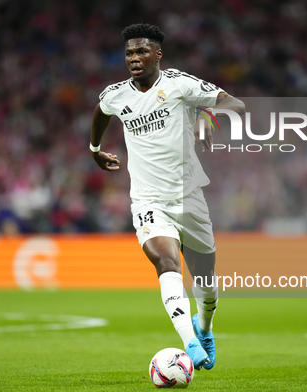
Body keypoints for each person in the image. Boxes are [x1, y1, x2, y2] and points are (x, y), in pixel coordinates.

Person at [90, 23, 245, 370]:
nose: (134, 58)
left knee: (206, 282)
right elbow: (101, 112)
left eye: (142, 51)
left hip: (190, 197)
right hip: (148, 199)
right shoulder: (116, 94)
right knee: (166, 262)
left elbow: (236, 105)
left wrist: (207, 123)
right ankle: (188, 341)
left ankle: (203, 329)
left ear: (158, 54)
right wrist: (94, 148)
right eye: (129, 52)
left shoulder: (180, 85)